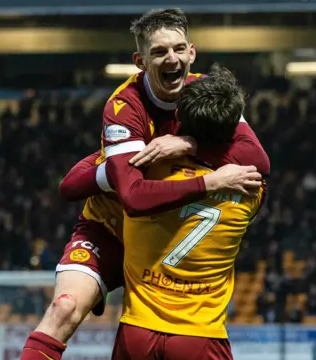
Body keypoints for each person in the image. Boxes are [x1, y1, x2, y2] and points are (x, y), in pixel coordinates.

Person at [20, 8, 269, 360]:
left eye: (179, 49)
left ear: (192, 52)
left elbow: (259, 160)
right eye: (159, 52)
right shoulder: (124, 105)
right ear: (140, 61)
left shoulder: (207, 97)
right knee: (64, 307)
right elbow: (122, 194)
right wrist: (209, 178)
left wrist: (188, 144)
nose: (172, 59)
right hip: (112, 226)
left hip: (162, 232)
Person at [113, 64, 265, 360]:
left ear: (179, 118)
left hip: (137, 331)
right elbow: (259, 159)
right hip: (201, 335)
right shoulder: (253, 189)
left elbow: (71, 185)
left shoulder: (148, 171)